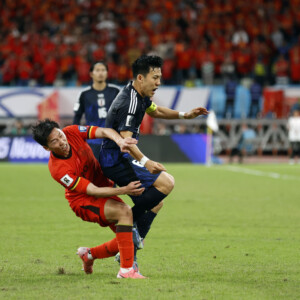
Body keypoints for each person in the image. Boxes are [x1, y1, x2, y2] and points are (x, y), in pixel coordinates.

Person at [99, 55, 209, 263]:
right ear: (141, 77)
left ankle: (128, 245)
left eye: (160, 77)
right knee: (166, 183)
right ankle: (127, 230)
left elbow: (156, 111)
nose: (158, 82)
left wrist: (186, 115)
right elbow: (126, 140)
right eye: (155, 77)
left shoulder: (139, 96)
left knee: (155, 203)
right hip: (116, 159)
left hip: (119, 157)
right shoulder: (129, 103)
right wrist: (145, 162)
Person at [32, 119, 147, 279]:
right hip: (84, 200)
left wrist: (120, 141)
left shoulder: (71, 131)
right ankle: (126, 271)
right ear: (46, 147)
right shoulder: (59, 170)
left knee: (132, 239)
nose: (62, 141)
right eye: (54, 141)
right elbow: (93, 191)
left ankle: (89, 255)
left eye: (60, 135)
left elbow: (104, 131)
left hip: (104, 189)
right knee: (124, 212)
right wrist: (125, 190)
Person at [73, 61, 121, 159]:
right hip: (92, 140)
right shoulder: (84, 93)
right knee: (94, 172)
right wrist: (75, 138)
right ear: (91, 74)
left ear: (107, 73)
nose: (100, 73)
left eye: (103, 70)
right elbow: (77, 117)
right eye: (97, 70)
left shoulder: (116, 91)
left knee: (114, 172)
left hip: (113, 139)